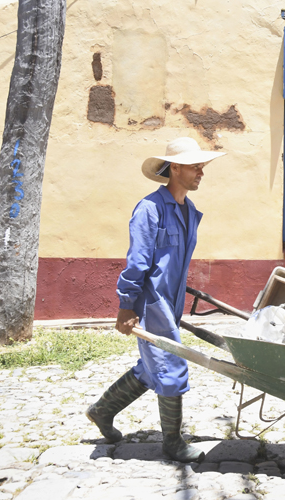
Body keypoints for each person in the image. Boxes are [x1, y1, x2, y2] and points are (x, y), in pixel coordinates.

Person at [86, 137, 225, 463]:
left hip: (171, 303)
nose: (201, 173)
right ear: (174, 168)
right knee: (172, 365)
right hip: (151, 304)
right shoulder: (149, 209)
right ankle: (173, 443)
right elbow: (137, 262)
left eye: (201, 166)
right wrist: (126, 306)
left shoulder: (189, 211)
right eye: (195, 166)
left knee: (152, 368)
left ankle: (102, 410)